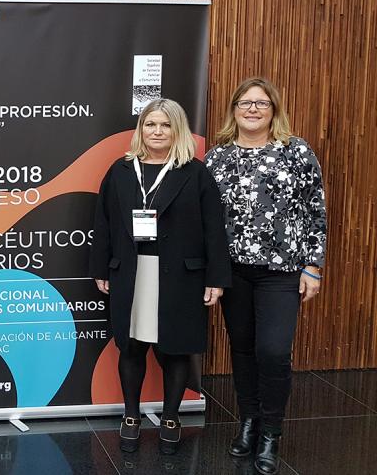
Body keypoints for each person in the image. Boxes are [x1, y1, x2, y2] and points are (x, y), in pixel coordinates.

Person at [90, 98, 231, 455]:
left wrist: (216, 278)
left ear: (177, 130)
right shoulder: (121, 171)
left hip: (180, 277)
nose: (157, 131)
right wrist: (101, 268)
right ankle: (131, 416)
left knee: (176, 348)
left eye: (165, 125)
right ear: (141, 129)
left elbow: (215, 229)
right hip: (132, 272)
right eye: (150, 124)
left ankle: (171, 417)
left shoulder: (195, 172)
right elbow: (103, 224)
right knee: (132, 346)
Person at [205, 77, 326, 475]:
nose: (253, 109)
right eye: (245, 102)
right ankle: (249, 421)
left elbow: (315, 210)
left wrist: (313, 265)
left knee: (273, 351)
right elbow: (205, 220)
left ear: (274, 109)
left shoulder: (296, 151)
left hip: (282, 270)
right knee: (241, 349)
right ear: (234, 109)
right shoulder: (217, 157)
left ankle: (272, 432)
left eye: (261, 103)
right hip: (232, 271)